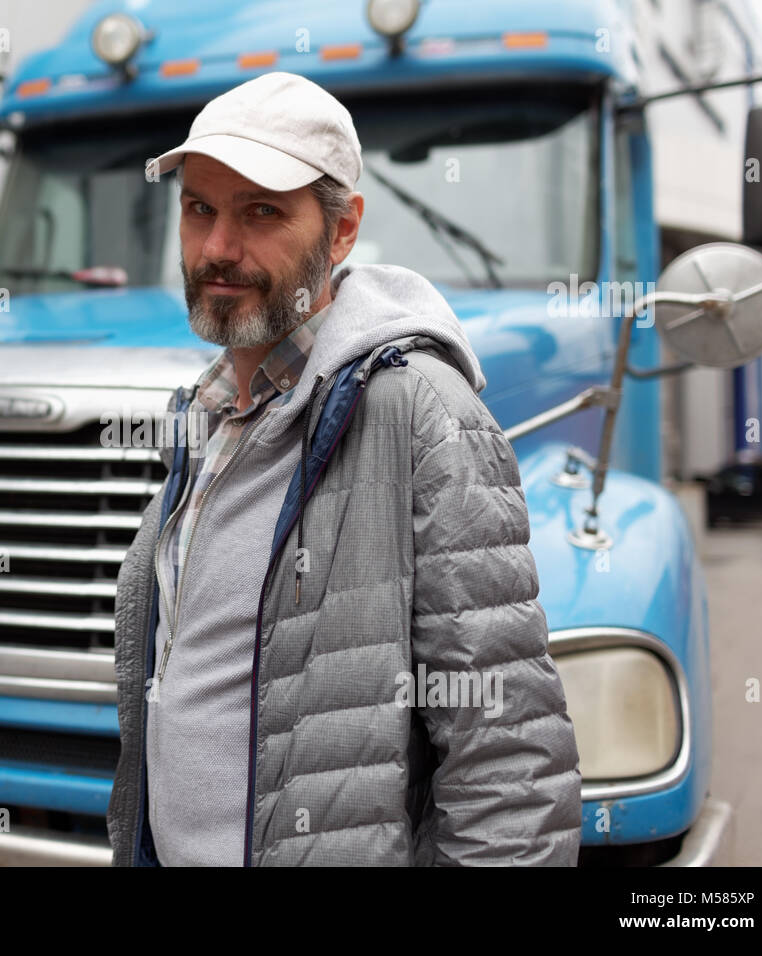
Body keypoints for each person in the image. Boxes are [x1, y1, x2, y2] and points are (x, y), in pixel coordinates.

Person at [106, 71, 582, 866]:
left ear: (343, 229)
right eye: (200, 209)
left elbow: (510, 762)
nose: (219, 247)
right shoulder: (209, 414)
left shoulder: (421, 413)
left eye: (261, 211)